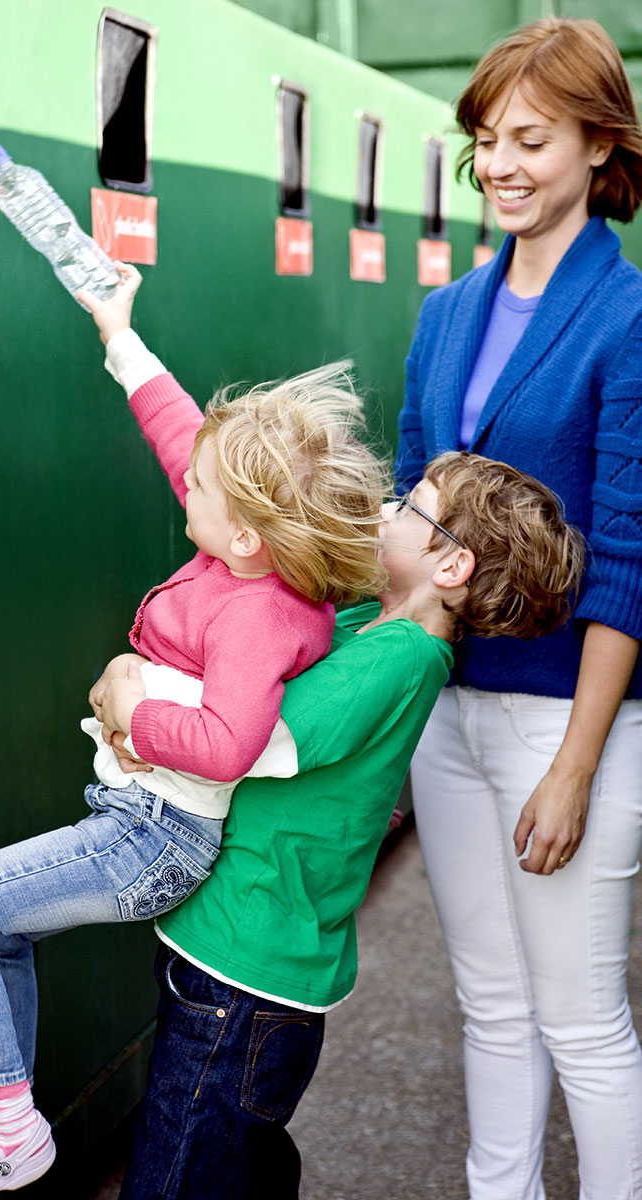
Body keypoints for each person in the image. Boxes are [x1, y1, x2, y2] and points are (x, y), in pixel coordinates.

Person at [0, 270, 388, 1199]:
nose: (184, 486)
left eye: (199, 490)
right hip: (137, 817)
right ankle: (5, 1120)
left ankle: (5, 1131)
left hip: (152, 839)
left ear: (246, 534)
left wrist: (132, 711)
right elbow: (180, 439)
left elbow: (227, 744)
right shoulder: (243, 553)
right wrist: (119, 335)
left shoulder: (256, 617)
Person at [107, 449, 583, 1200]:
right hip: (250, 957)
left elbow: (256, 742)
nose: (386, 510)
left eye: (408, 504)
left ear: (451, 567)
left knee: (178, 1171)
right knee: (236, 1155)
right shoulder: (372, 620)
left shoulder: (399, 654)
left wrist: (138, 714)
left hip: (247, 967)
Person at [395, 17, 642, 1198]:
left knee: (579, 1020)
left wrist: (576, 766)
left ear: (599, 145)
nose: (498, 164)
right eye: (484, 139)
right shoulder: (443, 314)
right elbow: (409, 508)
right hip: (448, 720)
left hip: (565, 724)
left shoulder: (627, 316)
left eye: (529, 140)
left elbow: (631, 558)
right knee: (487, 1005)